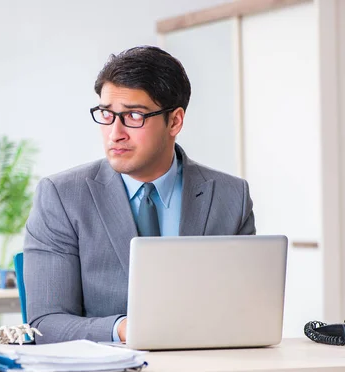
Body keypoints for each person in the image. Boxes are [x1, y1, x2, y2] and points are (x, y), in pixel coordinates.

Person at [23, 45, 255, 344]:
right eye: (106, 114)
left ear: (175, 121)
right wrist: (121, 328)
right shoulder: (62, 197)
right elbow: (46, 323)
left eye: (134, 115)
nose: (115, 132)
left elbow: (247, 311)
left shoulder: (230, 196)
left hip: (205, 371)